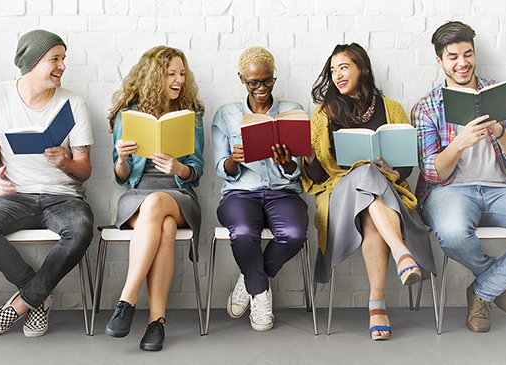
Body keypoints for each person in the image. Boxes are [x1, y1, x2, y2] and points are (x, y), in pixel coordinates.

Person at [411, 21, 506, 333]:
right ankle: (498, 282)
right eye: (453, 56)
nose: (462, 62)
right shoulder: (426, 107)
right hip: (449, 191)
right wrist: (459, 143)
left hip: (499, 189)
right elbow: (431, 171)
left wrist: (498, 130)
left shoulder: (501, 95)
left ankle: (483, 291)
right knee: (453, 234)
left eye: (468, 54)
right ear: (440, 61)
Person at [300, 43, 435, 341]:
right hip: (339, 194)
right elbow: (319, 176)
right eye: (333, 70)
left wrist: (393, 173)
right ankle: (402, 253)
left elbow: (407, 165)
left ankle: (377, 304)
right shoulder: (323, 114)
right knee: (364, 173)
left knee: (372, 200)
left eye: (344, 67)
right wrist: (309, 156)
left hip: (382, 195)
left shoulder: (392, 108)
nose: (337, 75)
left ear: (364, 69)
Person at [0, 29, 96, 338]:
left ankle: (22, 305)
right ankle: (38, 295)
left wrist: (65, 161)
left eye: (63, 59)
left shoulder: (73, 103)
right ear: (32, 61)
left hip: (63, 197)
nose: (62, 66)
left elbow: (85, 170)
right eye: (55, 59)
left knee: (80, 229)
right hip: (14, 195)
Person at [98, 45, 206, 352]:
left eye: (182, 74)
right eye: (171, 73)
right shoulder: (127, 116)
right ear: (153, 76)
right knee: (166, 228)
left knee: (159, 203)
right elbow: (121, 177)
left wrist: (179, 168)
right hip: (137, 196)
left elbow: (196, 171)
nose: (178, 80)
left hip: (178, 195)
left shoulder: (191, 116)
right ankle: (156, 323)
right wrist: (120, 158)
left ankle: (127, 299)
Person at [212, 46, 310, 332]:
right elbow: (221, 168)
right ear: (242, 79)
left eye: (268, 80)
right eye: (254, 82)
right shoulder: (226, 114)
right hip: (241, 193)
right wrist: (233, 159)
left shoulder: (293, 111)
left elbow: (299, 169)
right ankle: (261, 293)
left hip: (283, 192)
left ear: (274, 77)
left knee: (293, 234)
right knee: (242, 233)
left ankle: (250, 281)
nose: (261, 88)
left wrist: (287, 163)